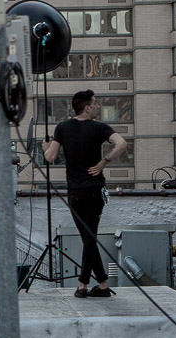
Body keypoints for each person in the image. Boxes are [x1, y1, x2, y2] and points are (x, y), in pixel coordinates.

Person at [42, 90, 128, 299]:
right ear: (87, 107)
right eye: (96, 103)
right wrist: (103, 162)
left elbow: (50, 157)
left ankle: (88, 284)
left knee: (87, 237)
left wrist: (45, 147)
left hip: (75, 192)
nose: (98, 106)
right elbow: (122, 144)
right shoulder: (100, 128)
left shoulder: (62, 128)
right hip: (94, 190)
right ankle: (99, 284)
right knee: (89, 237)